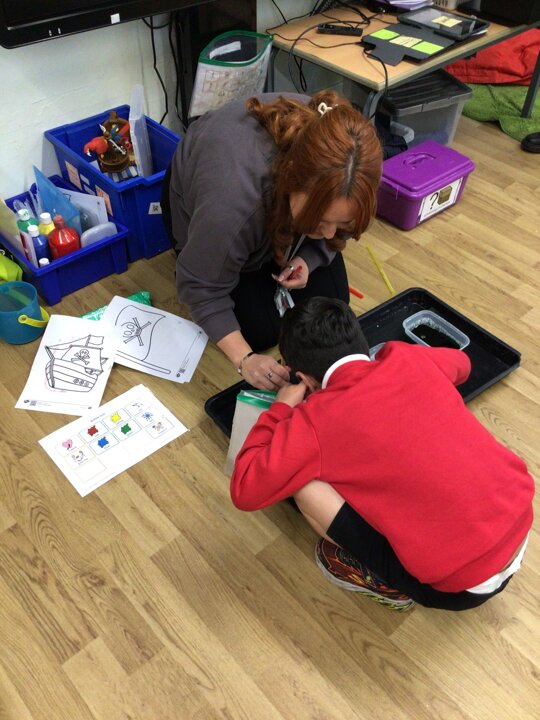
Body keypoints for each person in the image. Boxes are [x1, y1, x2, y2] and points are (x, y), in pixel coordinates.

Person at [230, 297, 534, 611]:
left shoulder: (314, 422)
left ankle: (384, 582)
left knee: (306, 486)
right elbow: (463, 365)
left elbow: (245, 489)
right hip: (520, 518)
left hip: (458, 588)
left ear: (304, 378)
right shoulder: (406, 357)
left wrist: (281, 407)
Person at [161, 91, 382, 390]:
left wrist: (310, 257)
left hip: (267, 207)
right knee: (260, 332)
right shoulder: (232, 206)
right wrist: (245, 359)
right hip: (207, 210)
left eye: (341, 223)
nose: (331, 234)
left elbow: (332, 233)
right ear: (291, 178)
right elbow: (201, 287)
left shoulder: (352, 170)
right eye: (320, 221)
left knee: (333, 302)